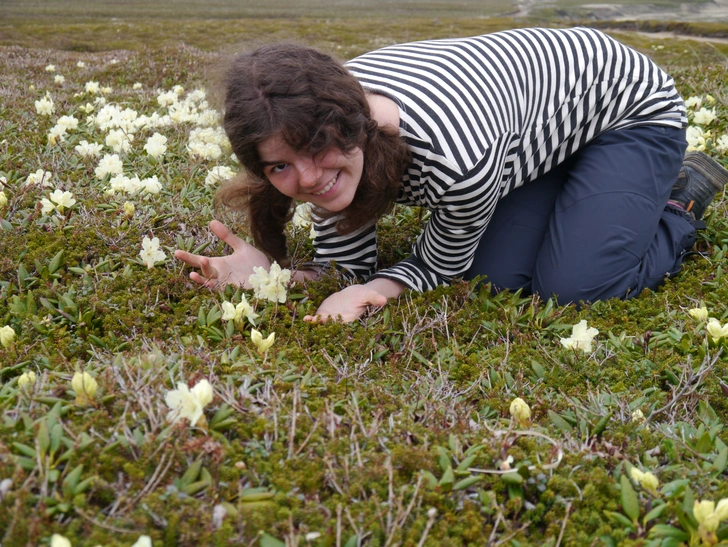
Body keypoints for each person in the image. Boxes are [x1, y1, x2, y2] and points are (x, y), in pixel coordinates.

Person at [174, 26, 728, 323]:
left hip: (627, 113)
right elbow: (348, 252)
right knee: (495, 274)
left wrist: (379, 289)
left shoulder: (454, 156)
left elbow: (438, 262)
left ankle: (680, 200)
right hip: (536, 129)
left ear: (354, 121)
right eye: (279, 167)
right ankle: (593, 199)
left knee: (575, 287)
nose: (310, 179)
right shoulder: (313, 116)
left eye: (316, 150)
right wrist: (278, 275)